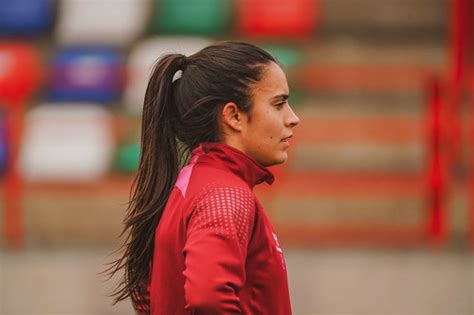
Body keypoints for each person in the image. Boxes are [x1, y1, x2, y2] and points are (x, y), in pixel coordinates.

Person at [106, 40, 300, 314]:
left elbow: (145, 294)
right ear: (233, 116)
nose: (293, 119)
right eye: (279, 104)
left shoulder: (191, 182)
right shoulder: (225, 194)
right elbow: (208, 297)